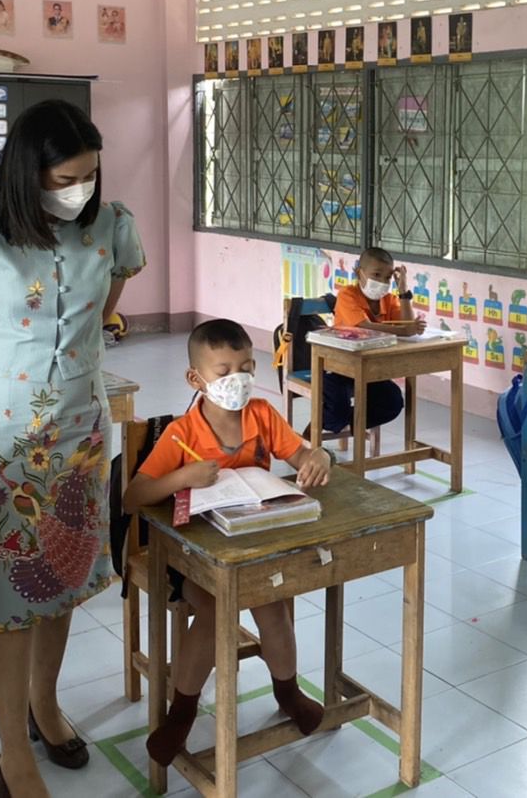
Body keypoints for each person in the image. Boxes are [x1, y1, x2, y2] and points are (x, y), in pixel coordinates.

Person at [0, 99, 146, 798]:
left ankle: (44, 705)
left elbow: (102, 311)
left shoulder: (111, 227)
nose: (80, 190)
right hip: (2, 438)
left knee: (63, 574)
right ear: (28, 172)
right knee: (12, 589)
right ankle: (12, 752)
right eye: (65, 179)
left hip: (81, 428)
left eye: (89, 176)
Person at [123, 319, 333, 766]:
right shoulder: (182, 433)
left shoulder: (263, 415)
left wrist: (318, 456)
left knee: (272, 608)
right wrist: (183, 476)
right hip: (192, 556)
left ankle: (288, 692)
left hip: (251, 546)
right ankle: (181, 712)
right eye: (223, 372)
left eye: (246, 367)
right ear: (195, 379)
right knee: (215, 611)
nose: (237, 379)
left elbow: (300, 454)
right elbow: (134, 496)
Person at [322, 247, 423, 435]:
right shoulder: (347, 294)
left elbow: (408, 324)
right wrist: (404, 330)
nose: (382, 282)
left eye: (387, 277)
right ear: (359, 272)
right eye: (376, 275)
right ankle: (322, 425)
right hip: (338, 368)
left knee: (393, 402)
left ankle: (350, 424)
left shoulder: (388, 299)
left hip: (370, 368)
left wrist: (403, 291)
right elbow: (364, 327)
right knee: (336, 411)